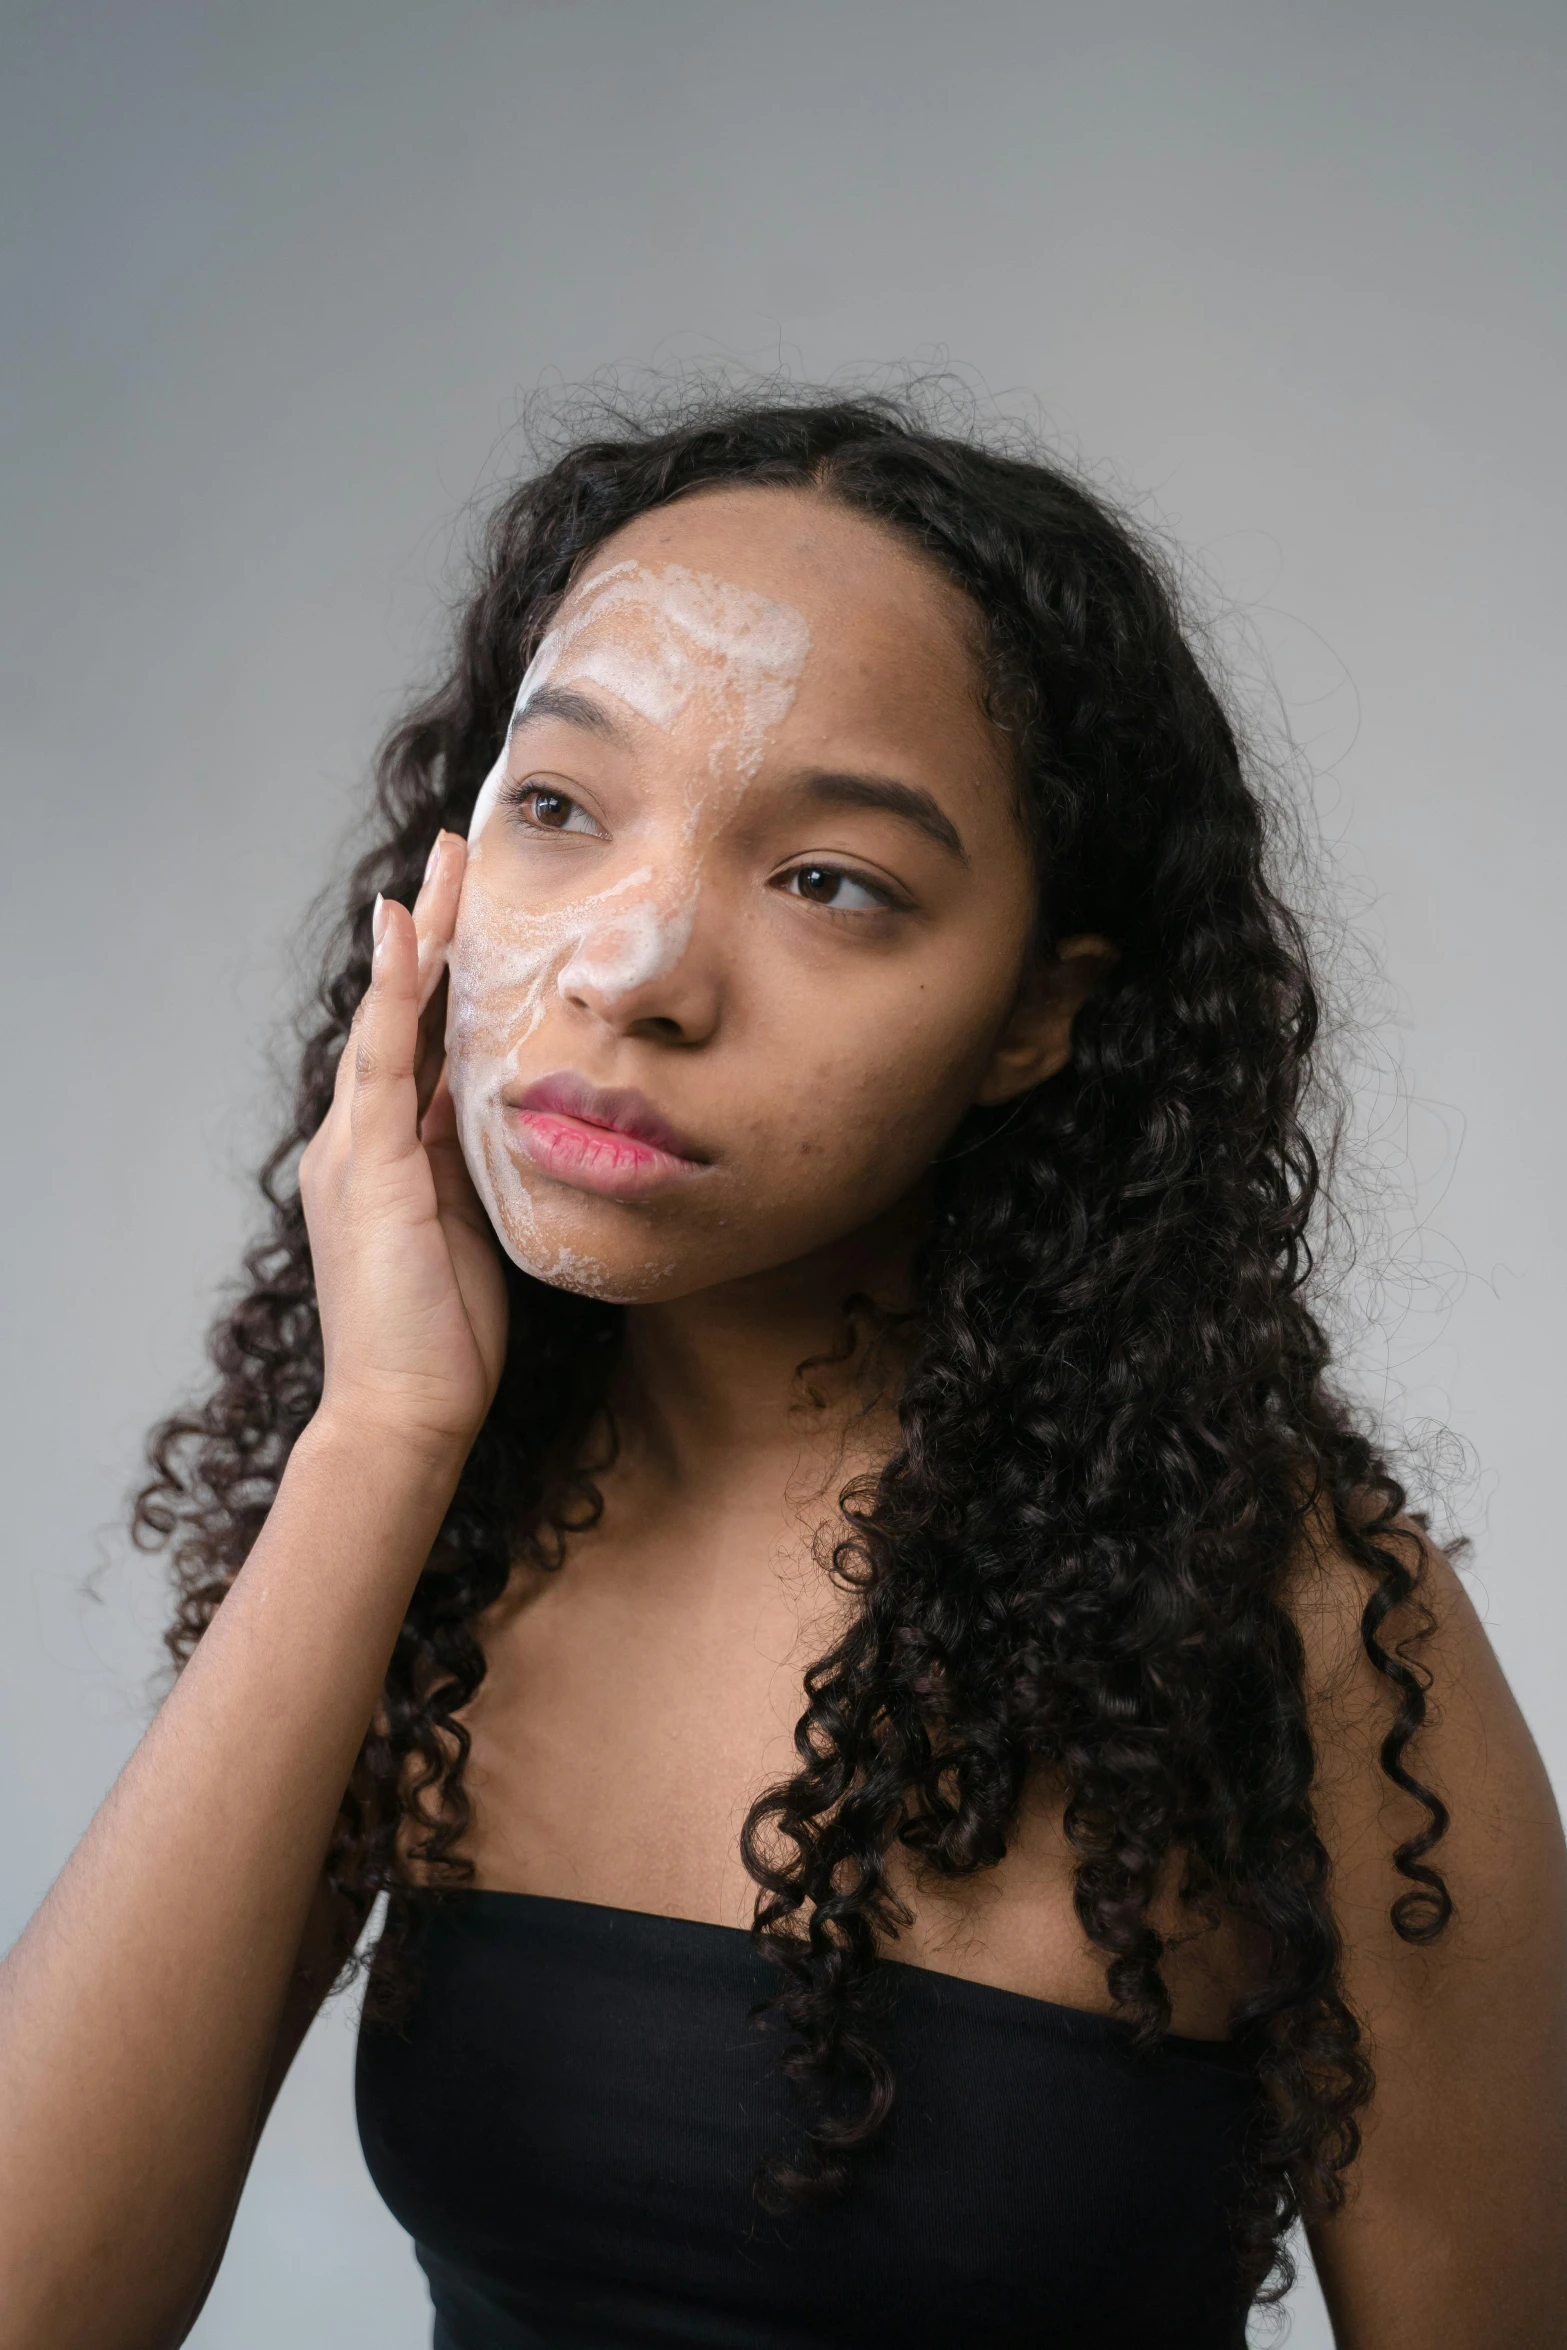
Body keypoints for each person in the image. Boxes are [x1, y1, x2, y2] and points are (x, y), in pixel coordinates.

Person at [2, 394, 1563, 2350]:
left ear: (1036, 1015)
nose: (637, 963)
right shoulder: (442, 1537)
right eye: (563, 807)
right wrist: (379, 1434)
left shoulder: (1282, 1628)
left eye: (831, 879)